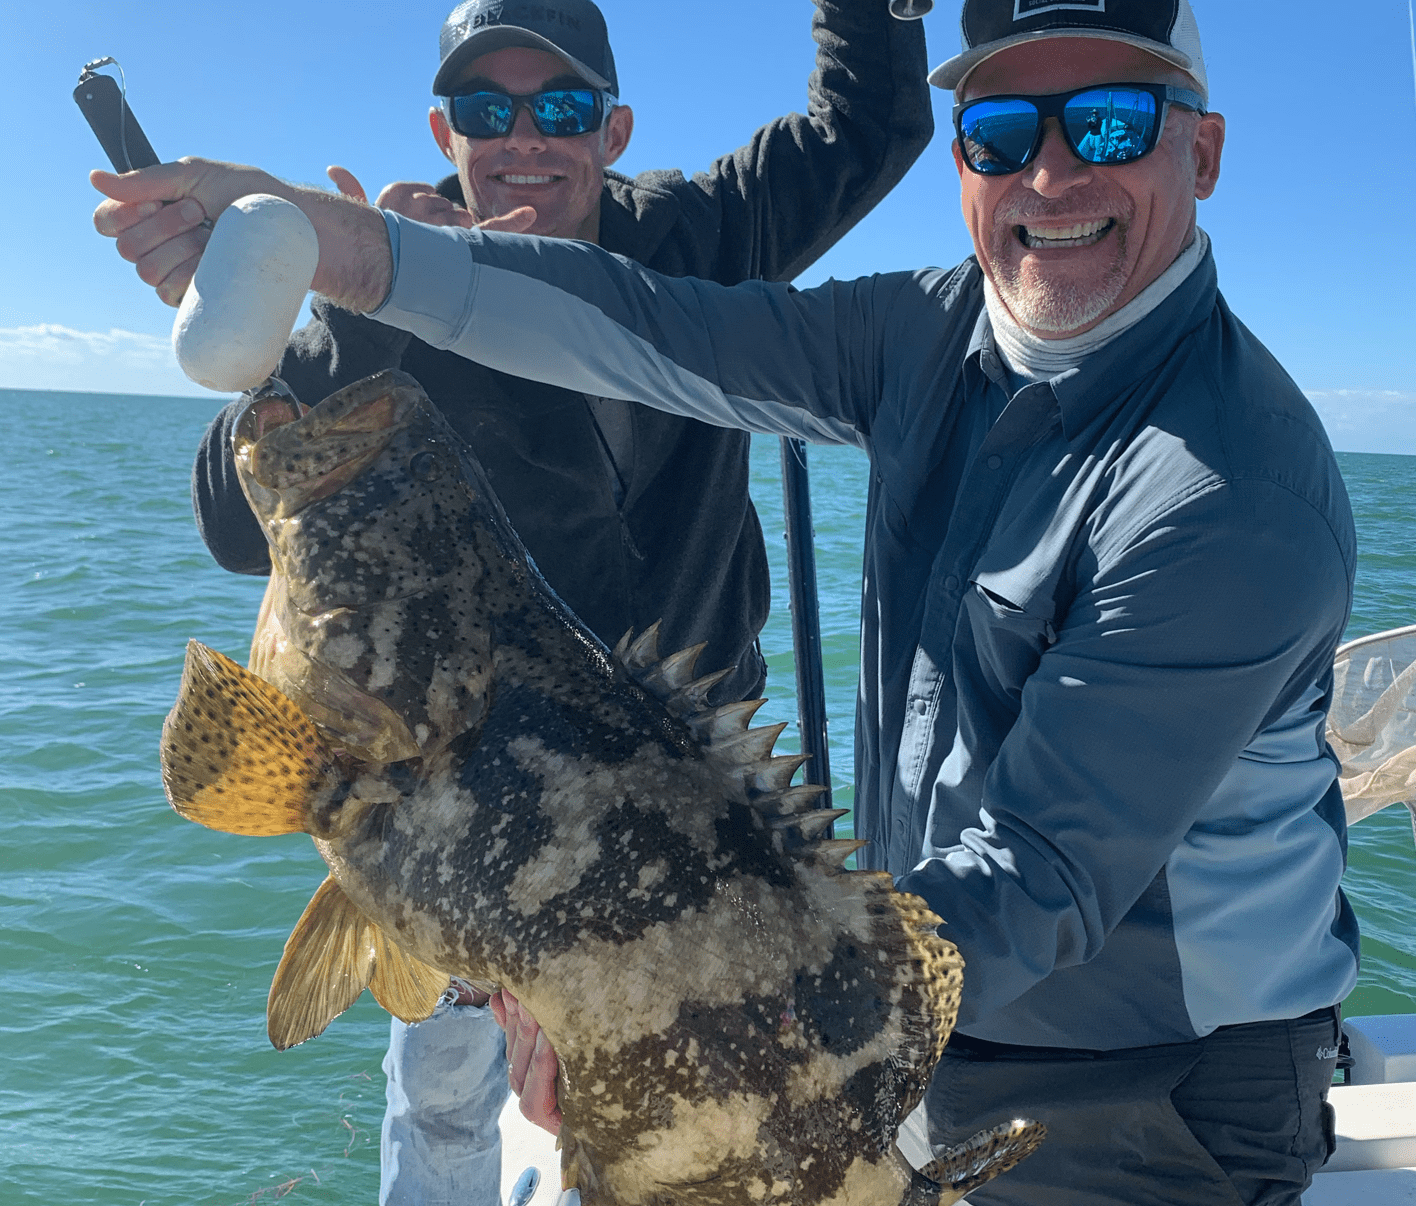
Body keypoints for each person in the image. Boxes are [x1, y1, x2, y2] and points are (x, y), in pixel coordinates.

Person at [92, 0, 1361, 1202]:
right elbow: (657, 331)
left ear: (1202, 151)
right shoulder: (926, 335)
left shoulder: (1227, 492)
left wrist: (649, 996)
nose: (1050, 176)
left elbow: (1039, 878)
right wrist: (332, 245)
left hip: (1155, 1087)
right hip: (906, 1029)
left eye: (1112, 126)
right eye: (1001, 132)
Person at [108, 2, 933, 1203]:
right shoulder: (382, 284)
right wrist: (331, 300)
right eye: (489, 112)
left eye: (561, 108)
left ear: (613, 128)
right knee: (444, 1098)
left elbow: (869, 122)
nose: (524, 141)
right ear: (446, 129)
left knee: (758, 1082)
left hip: (686, 799)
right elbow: (242, 524)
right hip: (470, 816)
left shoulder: (699, 237)